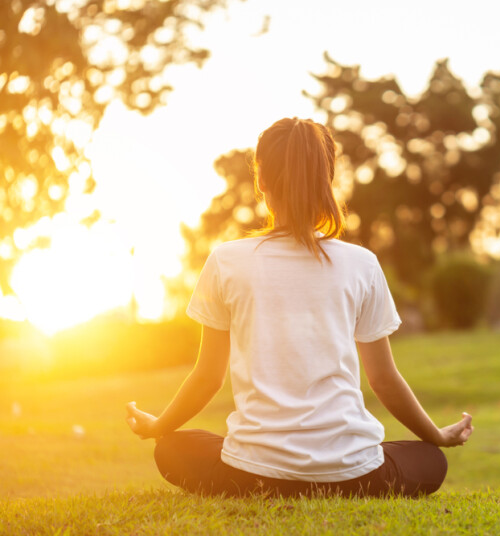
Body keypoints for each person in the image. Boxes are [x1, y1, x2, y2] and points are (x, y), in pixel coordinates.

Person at [125, 117, 473, 498]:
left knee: (173, 448)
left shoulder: (226, 260)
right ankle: (335, 478)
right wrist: (436, 436)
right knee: (431, 460)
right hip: (353, 476)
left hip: (252, 475)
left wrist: (158, 426)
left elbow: (208, 376)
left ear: (261, 180)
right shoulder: (362, 263)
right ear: (329, 176)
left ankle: (272, 479)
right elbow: (383, 379)